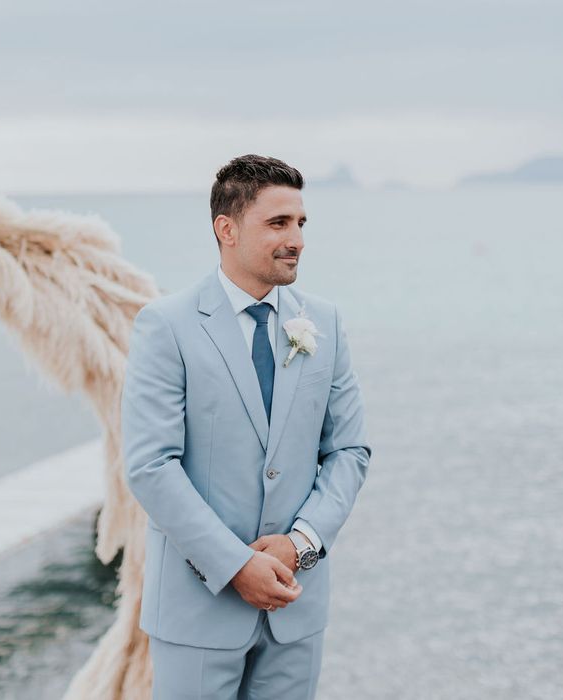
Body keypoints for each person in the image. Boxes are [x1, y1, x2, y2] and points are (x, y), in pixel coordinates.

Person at [122, 154, 371, 699]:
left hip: (295, 605)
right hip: (197, 608)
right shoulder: (166, 326)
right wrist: (236, 565)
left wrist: (299, 545)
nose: (297, 239)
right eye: (278, 223)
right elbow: (149, 465)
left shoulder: (323, 322)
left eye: (301, 223)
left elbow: (349, 449)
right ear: (226, 229)